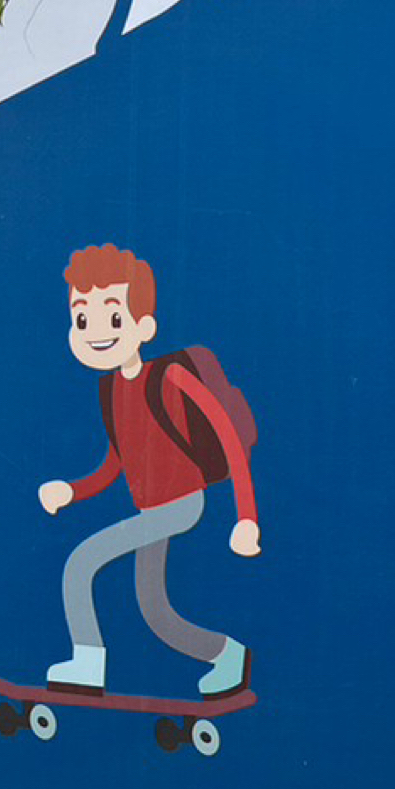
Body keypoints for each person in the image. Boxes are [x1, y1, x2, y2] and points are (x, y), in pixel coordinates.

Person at [38, 245, 259, 697]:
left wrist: (246, 519)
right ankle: (227, 655)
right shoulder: (111, 390)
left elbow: (228, 438)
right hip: (151, 509)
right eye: (82, 320)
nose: (97, 332)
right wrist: (72, 491)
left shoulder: (170, 378)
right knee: (156, 612)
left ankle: (88, 665)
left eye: (113, 317)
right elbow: (114, 465)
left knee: (81, 562)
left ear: (144, 327)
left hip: (181, 504)